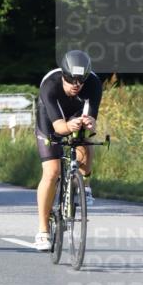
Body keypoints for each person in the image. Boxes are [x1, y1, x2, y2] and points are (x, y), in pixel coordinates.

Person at [33, 50, 103, 252]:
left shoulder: (94, 84)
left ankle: (83, 185)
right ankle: (43, 230)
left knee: (87, 143)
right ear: (63, 74)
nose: (76, 84)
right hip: (51, 120)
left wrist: (89, 123)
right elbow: (59, 129)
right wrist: (69, 126)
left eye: (81, 81)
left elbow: (93, 122)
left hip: (75, 115)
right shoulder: (50, 85)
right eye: (71, 79)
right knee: (52, 172)